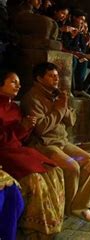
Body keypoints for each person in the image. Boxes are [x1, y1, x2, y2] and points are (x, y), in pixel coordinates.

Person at [21, 62, 90, 222]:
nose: (56, 78)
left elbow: (71, 120)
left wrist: (64, 105)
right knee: (72, 166)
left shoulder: (57, 95)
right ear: (39, 78)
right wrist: (58, 110)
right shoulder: (32, 98)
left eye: (57, 75)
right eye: (51, 76)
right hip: (44, 145)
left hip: (62, 142)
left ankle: (81, 207)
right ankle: (64, 209)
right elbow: (41, 129)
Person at [0, 70, 65, 238]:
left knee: (55, 170)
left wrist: (27, 126)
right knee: (35, 179)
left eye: (19, 82)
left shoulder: (14, 107)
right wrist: (22, 127)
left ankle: (54, 223)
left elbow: (22, 136)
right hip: (5, 152)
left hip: (18, 149)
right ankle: (34, 229)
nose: (18, 85)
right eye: (13, 82)